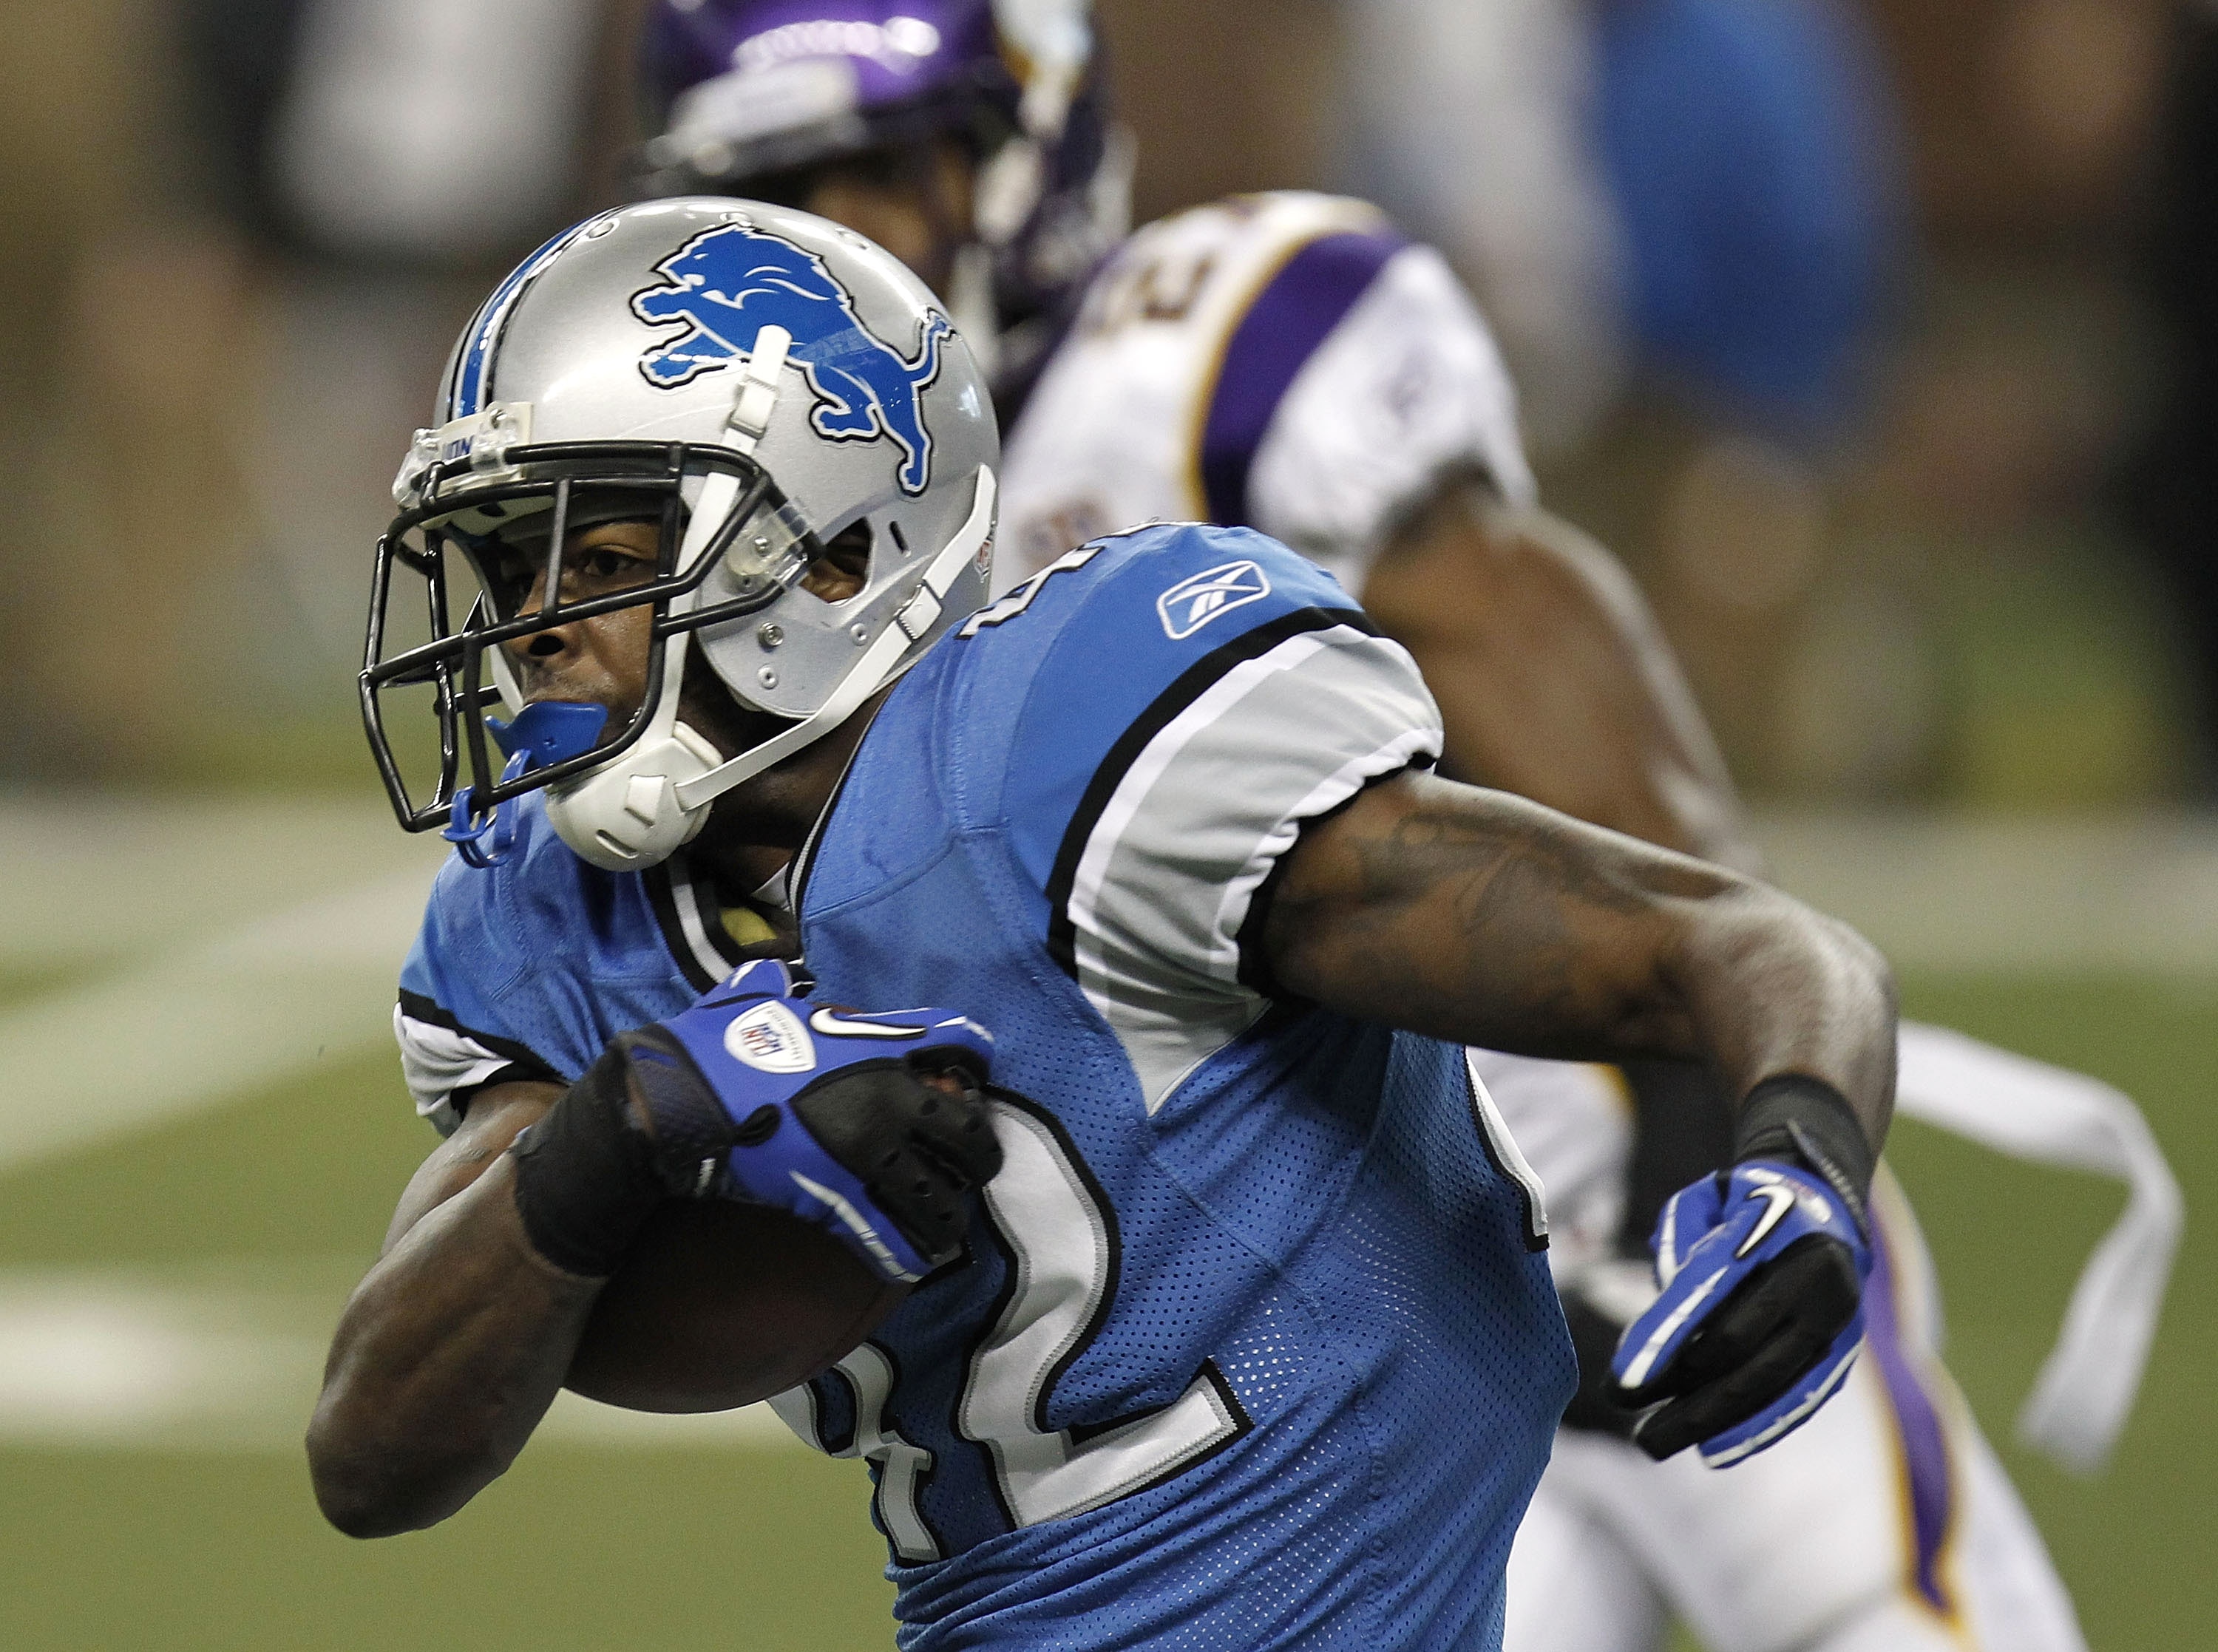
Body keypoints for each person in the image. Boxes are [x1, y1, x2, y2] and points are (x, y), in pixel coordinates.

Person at [625, 7, 2149, 1649]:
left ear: (1021, 163)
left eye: (869, 173)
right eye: (769, 195)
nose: (826, 246)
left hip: (1631, 1190)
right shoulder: (739, 563)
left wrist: (1714, 1113)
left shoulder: (1202, 358)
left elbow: (1589, 728)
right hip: (1324, 1357)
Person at [311, 200, 1897, 1651]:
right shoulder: (549, 915)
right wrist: (627, 1125)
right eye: (509, 570)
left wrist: (1805, 1158)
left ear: (839, 551)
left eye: (597, 560)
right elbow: (374, 1446)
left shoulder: (1078, 742)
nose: (537, 640)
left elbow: (1736, 948)